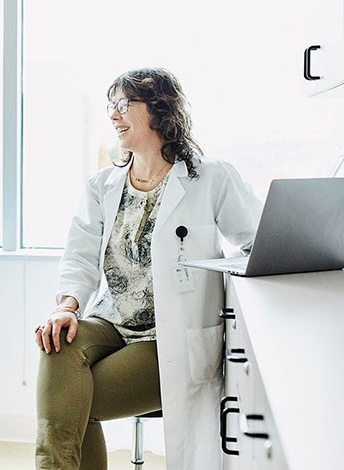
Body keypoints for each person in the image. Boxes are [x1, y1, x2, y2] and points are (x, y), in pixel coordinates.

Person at [34, 67, 263, 470]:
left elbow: (259, 240)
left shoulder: (209, 178)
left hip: (170, 334)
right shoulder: (102, 185)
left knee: (70, 401)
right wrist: (66, 306)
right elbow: (80, 256)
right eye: (111, 106)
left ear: (159, 109)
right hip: (112, 320)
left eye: (123, 104)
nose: (113, 115)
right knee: (57, 342)